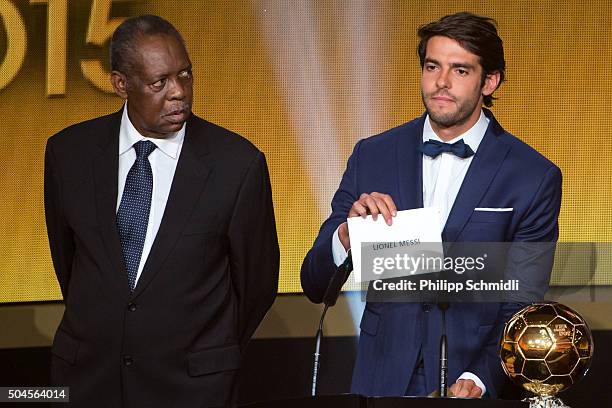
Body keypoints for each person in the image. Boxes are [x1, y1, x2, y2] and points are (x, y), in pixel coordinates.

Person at [301, 12, 561, 398]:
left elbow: (521, 300)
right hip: (380, 378)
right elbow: (315, 282)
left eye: (460, 70)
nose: (441, 82)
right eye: (432, 66)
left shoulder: (532, 176)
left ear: (489, 81)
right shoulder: (372, 155)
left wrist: (481, 377)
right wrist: (345, 234)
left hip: (468, 379)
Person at [44, 15, 279, 407]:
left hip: (193, 389)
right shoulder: (68, 154)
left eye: (185, 75)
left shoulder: (237, 164)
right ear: (121, 84)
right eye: (160, 83)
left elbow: (256, 286)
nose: (179, 93)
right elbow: (70, 263)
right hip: (87, 383)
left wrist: (203, 351)